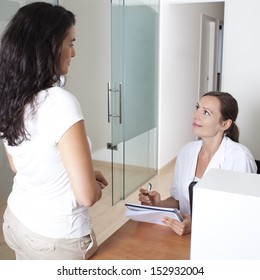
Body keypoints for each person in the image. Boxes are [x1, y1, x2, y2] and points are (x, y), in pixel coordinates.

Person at [0, 2, 108, 260]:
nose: (74, 52)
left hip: (17, 220)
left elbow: (18, 164)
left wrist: (78, 172)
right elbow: (86, 196)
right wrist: (92, 185)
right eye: (70, 43)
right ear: (48, 47)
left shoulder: (9, 95)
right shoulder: (60, 102)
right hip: (56, 238)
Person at [139, 91, 257, 236]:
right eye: (197, 108)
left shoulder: (240, 158)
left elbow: (244, 217)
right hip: (181, 235)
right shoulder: (186, 152)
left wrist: (197, 225)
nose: (196, 115)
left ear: (225, 124)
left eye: (206, 112)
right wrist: (159, 203)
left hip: (221, 238)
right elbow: (179, 200)